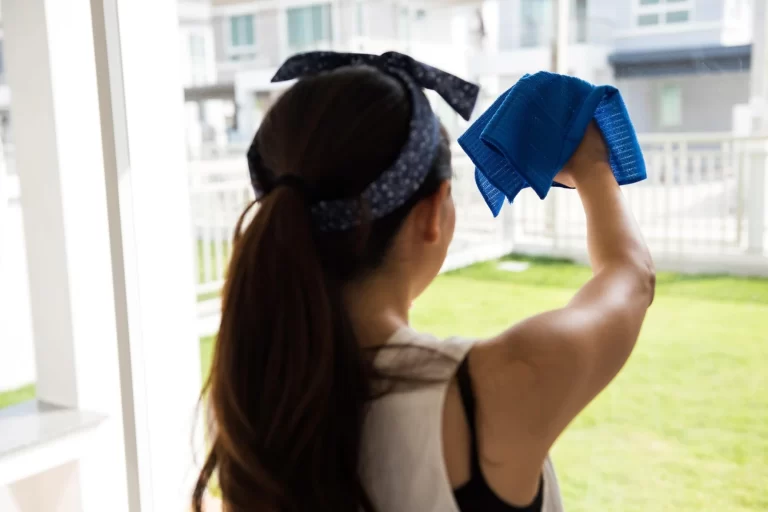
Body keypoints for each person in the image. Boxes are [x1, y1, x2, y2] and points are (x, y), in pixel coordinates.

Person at [192, 52, 655, 512]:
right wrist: (592, 165)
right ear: (433, 213)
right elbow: (630, 278)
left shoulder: (245, 402)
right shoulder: (499, 390)